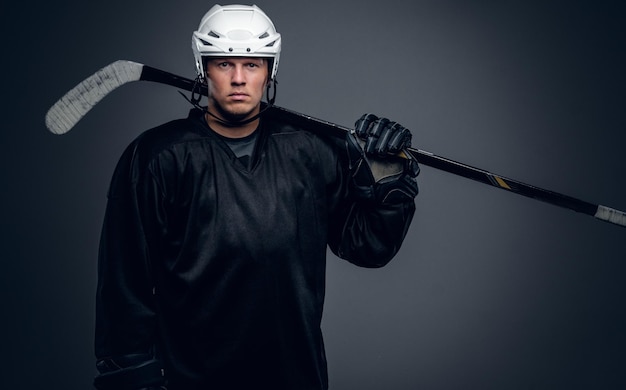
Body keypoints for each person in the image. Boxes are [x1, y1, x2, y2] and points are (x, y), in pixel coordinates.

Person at [93, 4, 420, 390]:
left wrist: (387, 178)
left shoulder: (311, 151)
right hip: (190, 380)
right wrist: (133, 380)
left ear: (270, 70)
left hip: (295, 378)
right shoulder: (158, 157)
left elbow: (368, 246)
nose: (237, 79)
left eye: (252, 65)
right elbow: (124, 287)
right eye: (223, 64)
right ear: (203, 68)